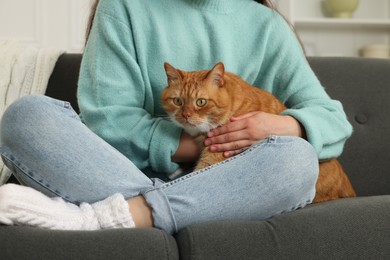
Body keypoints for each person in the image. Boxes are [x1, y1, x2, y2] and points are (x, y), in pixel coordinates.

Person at [0, 0, 352, 234]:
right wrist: (200, 144)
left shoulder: (267, 26)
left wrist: (278, 126)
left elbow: (333, 120)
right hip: (129, 176)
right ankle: (173, 209)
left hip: (229, 182)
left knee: (297, 158)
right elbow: (108, 122)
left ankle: (110, 216)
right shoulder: (123, 6)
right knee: (26, 117)